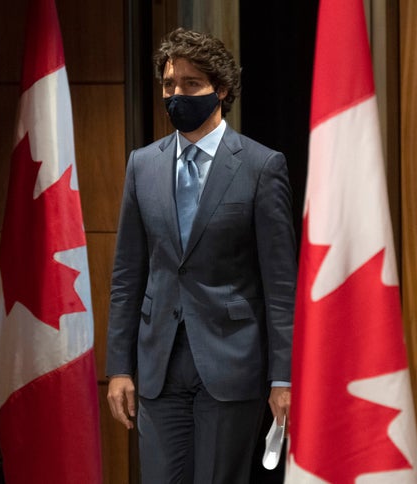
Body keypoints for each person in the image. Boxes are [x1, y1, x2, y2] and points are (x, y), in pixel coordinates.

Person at [106, 27, 297, 484]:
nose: (176, 95)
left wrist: (283, 378)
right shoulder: (142, 165)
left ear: (221, 89)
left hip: (231, 364)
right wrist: (118, 368)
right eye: (170, 85)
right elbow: (127, 275)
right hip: (159, 367)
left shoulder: (261, 166)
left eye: (191, 85)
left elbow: (281, 286)